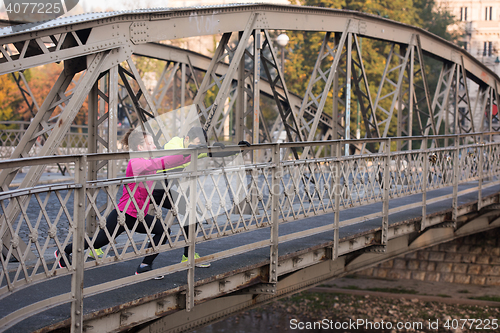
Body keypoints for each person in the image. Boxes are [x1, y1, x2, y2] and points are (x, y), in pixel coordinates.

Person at [54, 128, 192, 279]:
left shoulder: (148, 162)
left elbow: (164, 164)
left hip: (139, 215)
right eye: (150, 144)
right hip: (124, 214)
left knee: (163, 231)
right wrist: (183, 155)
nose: (154, 146)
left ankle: (144, 267)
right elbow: (159, 163)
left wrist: (190, 154)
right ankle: (64, 251)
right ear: (140, 148)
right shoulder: (136, 163)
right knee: (98, 242)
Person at [153, 126, 250, 267]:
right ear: (186, 139)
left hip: (168, 187)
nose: (198, 148)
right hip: (152, 186)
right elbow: (175, 155)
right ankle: (146, 263)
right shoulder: (174, 143)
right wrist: (195, 148)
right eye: (196, 144)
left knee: (193, 214)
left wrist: (238, 148)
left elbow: (214, 154)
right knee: (127, 218)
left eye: (199, 145)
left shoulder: (195, 149)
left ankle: (188, 256)